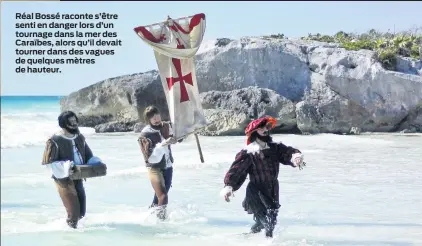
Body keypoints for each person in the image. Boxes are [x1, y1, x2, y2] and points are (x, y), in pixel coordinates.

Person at [220, 116, 306, 238]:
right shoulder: (249, 152)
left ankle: (248, 238)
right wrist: (229, 187)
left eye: (268, 127)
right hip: (256, 190)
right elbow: (237, 171)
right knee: (267, 221)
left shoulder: (275, 148)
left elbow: (287, 153)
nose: (266, 130)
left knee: (270, 219)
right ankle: (268, 241)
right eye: (263, 128)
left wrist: (296, 157)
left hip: (273, 189)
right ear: (254, 132)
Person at [41, 111, 96, 229]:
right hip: (63, 180)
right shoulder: (55, 140)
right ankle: (69, 236)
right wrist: (66, 167)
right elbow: (50, 163)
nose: (74, 124)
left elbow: (88, 154)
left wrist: (95, 163)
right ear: (63, 124)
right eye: (71, 122)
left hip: (78, 177)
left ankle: (74, 235)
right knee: (74, 214)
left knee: (81, 212)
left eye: (75, 121)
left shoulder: (79, 137)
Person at [137, 105, 182, 220]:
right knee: (163, 196)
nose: (157, 120)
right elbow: (150, 158)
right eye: (153, 118)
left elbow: (178, 136)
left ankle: (149, 216)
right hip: (154, 168)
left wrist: (179, 136)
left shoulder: (166, 126)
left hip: (168, 166)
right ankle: (161, 222)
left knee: (159, 197)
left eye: (157, 116)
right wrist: (163, 144)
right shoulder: (144, 135)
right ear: (148, 120)